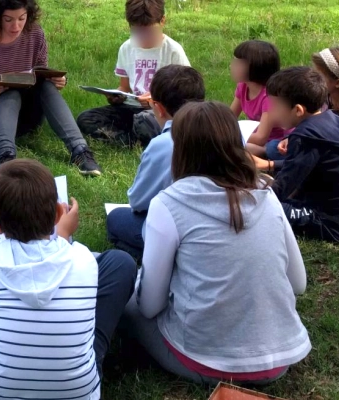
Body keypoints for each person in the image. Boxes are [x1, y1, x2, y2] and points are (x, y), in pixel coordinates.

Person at [122, 101, 311, 386]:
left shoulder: (169, 203)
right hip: (279, 360)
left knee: (122, 292)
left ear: (180, 148)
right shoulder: (266, 193)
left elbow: (149, 305)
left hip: (205, 362)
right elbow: (298, 283)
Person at [0, 159, 137, 399]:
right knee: (121, 263)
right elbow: (64, 255)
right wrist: (64, 234)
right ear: (59, 213)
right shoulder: (82, 259)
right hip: (79, 395)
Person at [0, 0, 102, 175]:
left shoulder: (35, 33)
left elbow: (39, 74)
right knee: (11, 92)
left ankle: (80, 151)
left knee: (45, 85)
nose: (16, 26)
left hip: (24, 115)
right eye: (8, 20)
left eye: (21, 18)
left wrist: (57, 81)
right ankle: (6, 158)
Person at [255, 67, 339, 243]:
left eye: (275, 106)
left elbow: (281, 190)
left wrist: (254, 192)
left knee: (262, 207)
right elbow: (305, 167)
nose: (271, 111)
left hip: (335, 225)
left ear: (298, 110)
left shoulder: (306, 136)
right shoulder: (331, 119)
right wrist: (270, 168)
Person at [107, 65, 204, 260]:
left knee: (116, 218)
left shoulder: (164, 144)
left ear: (158, 108)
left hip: (181, 229)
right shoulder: (228, 133)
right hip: (225, 221)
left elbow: (138, 201)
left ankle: (161, 256)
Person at [76, 0, 190, 148]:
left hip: (161, 112)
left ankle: (140, 137)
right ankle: (134, 140)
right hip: (132, 108)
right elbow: (124, 87)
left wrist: (156, 99)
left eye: (149, 31)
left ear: (162, 21)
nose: (143, 37)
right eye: (137, 31)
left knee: (144, 120)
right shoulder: (127, 48)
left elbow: (186, 94)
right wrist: (116, 97)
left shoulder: (173, 50)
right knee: (86, 118)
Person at [229, 40, 288, 159]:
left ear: (256, 68)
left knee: (235, 146)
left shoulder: (268, 96)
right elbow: (229, 117)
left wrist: (229, 134)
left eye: (238, 63)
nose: (231, 66)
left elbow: (261, 137)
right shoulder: (243, 86)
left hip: (276, 142)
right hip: (254, 138)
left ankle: (266, 153)